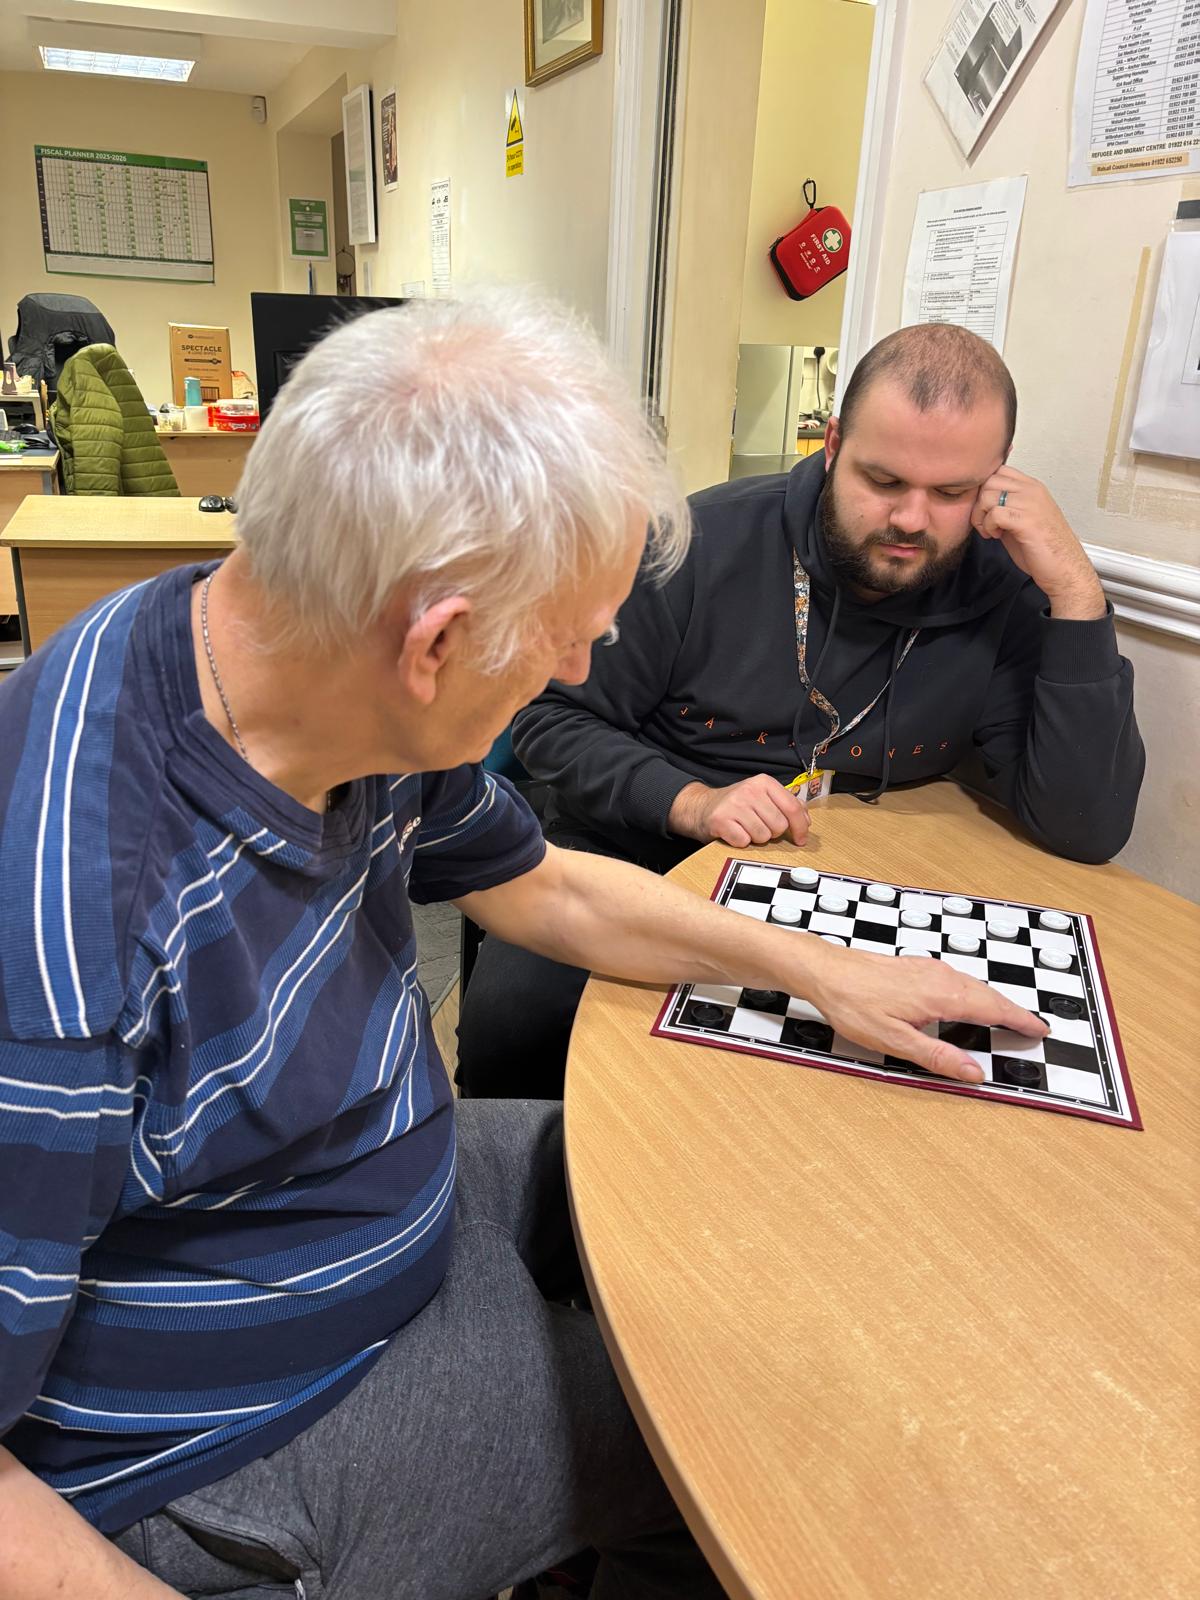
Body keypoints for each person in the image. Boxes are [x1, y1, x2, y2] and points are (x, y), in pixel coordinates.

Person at [0, 295, 1047, 1600]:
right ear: (435, 642)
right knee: (766, 1449)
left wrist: (819, 967)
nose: (584, 667)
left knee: (727, 1194)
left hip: (367, 1185)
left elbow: (542, 884)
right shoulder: (68, 946)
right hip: (231, 1434)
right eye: (567, 638)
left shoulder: (296, 646)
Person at [457, 322, 1144, 1100]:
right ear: (833, 444)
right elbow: (551, 720)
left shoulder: (1003, 585)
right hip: (644, 845)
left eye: (951, 493)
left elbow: (1084, 828)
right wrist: (692, 801)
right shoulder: (695, 542)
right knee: (517, 1017)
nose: (911, 519)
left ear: (994, 481)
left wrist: (1075, 591)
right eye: (882, 480)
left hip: (853, 875)